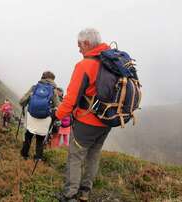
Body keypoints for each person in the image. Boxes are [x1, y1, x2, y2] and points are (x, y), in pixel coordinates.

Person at [54, 28, 112, 202]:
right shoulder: (110, 61)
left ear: (87, 43)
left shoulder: (84, 65)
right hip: (107, 120)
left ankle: (70, 194)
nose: (79, 49)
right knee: (94, 155)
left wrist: (57, 115)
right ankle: (85, 191)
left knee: (76, 156)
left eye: (79, 45)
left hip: (87, 121)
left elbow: (71, 99)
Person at [19, 71, 60, 161]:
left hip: (32, 116)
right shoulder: (53, 91)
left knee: (28, 135)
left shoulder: (35, 87)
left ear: (42, 77)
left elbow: (22, 101)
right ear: (52, 80)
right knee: (40, 139)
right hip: (45, 118)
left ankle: (24, 155)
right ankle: (38, 158)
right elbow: (58, 105)